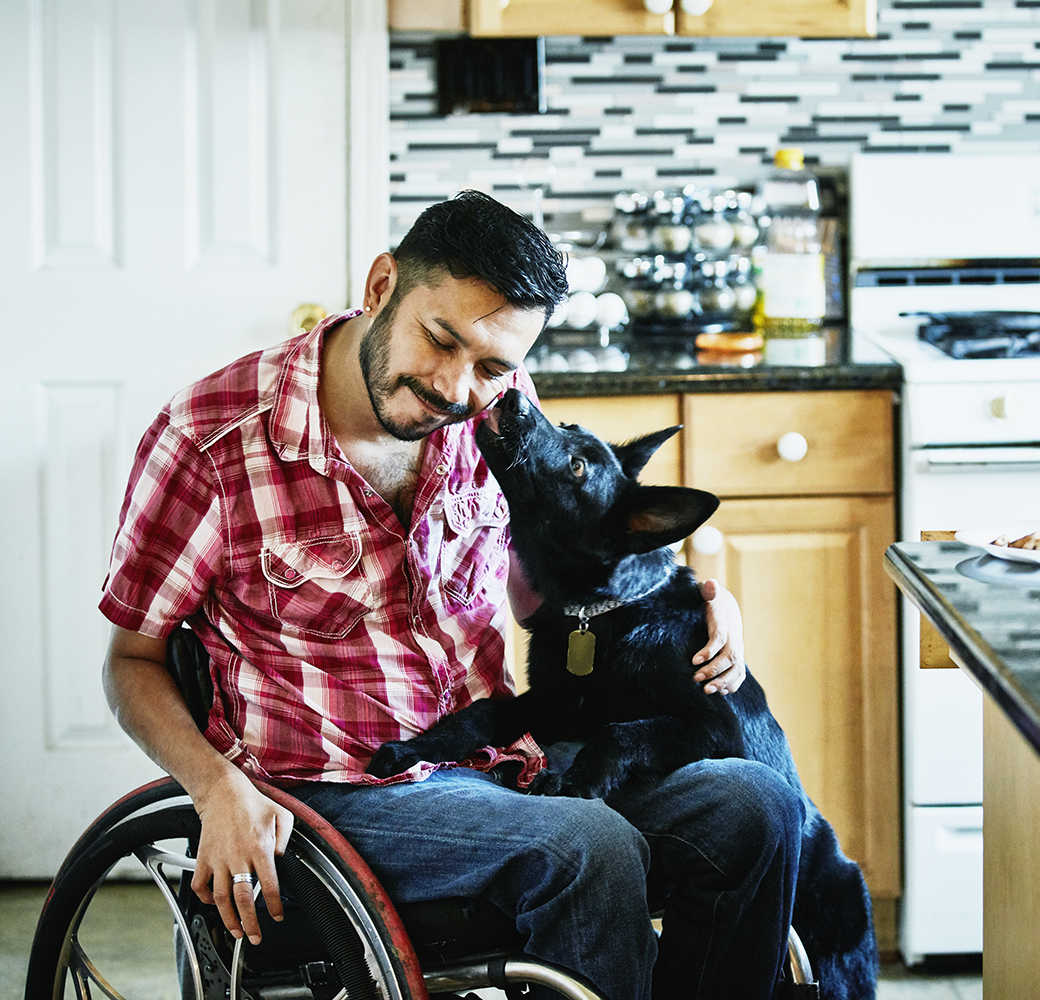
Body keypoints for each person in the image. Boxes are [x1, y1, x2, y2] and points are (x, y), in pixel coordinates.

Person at [101, 190, 802, 1000]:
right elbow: (131, 661)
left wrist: (698, 600)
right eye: (441, 340)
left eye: (494, 367)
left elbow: (586, 539)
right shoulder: (210, 441)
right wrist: (214, 785)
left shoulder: (497, 406)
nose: (456, 389)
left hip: (501, 766)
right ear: (379, 288)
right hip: (335, 797)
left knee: (755, 804)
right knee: (590, 845)